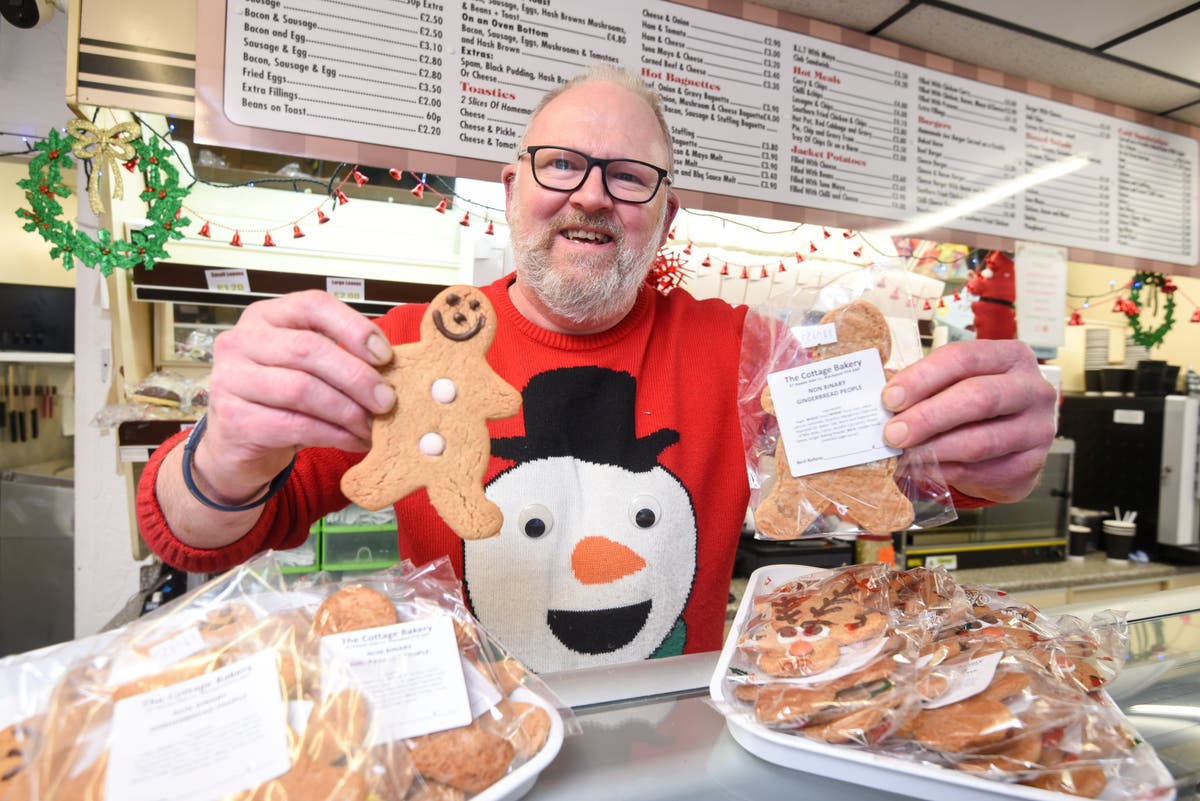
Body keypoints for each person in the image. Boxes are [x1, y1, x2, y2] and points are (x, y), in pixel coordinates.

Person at [137, 65, 1057, 672]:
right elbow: (199, 536)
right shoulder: (416, 348)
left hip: (674, 751)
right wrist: (226, 453)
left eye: (628, 176)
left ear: (665, 216)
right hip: (476, 750)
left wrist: (981, 454)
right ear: (510, 190)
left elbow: (892, 472)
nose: (589, 195)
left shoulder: (751, 355)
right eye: (561, 164)